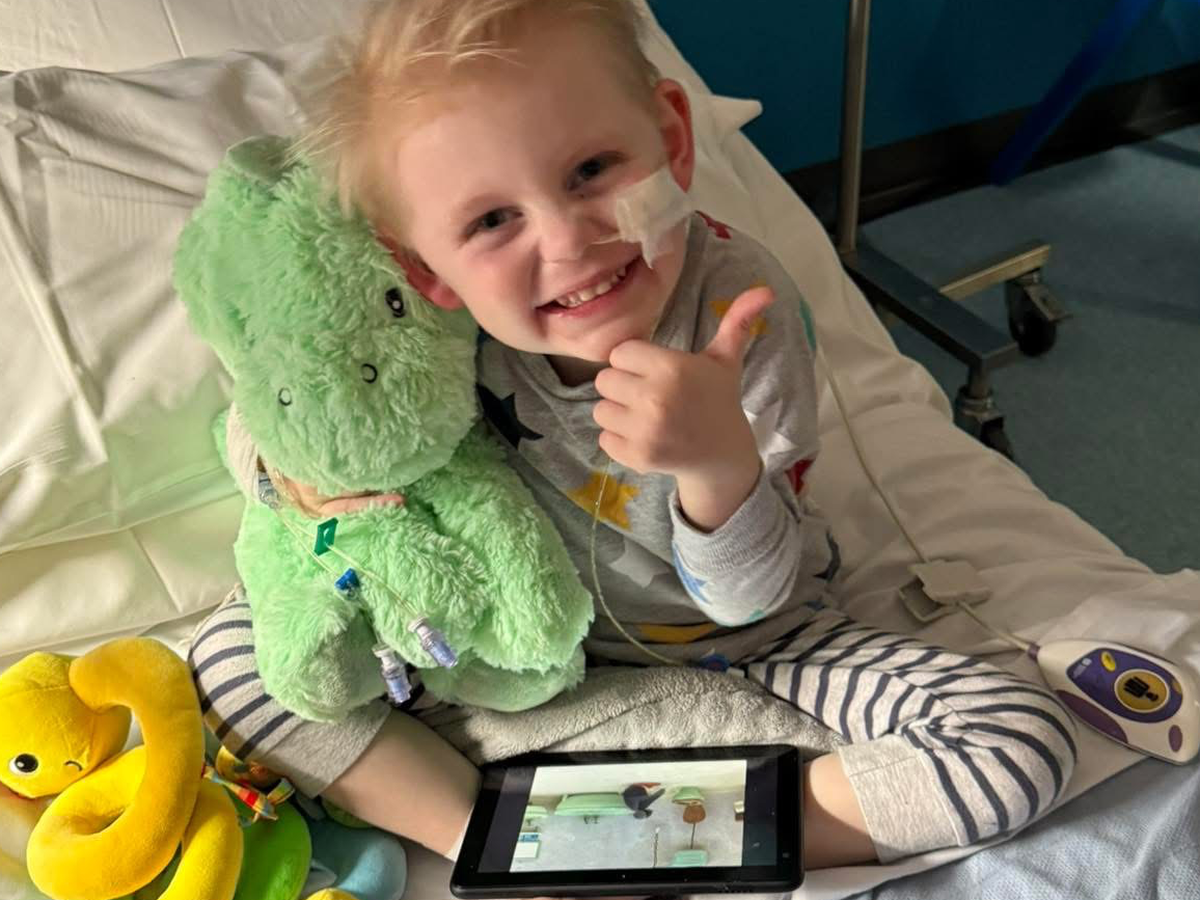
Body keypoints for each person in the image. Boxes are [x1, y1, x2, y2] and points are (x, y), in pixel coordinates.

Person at [189, 0, 1078, 870]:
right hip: (519, 661)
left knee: (1015, 744)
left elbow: (752, 600)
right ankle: (476, 835)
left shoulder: (739, 314)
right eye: (492, 221)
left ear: (672, 140)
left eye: (590, 171)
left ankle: (596, 833)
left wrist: (717, 463)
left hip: (753, 649)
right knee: (231, 662)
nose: (568, 242)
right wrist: (294, 484)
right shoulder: (440, 330)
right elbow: (292, 418)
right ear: (425, 269)